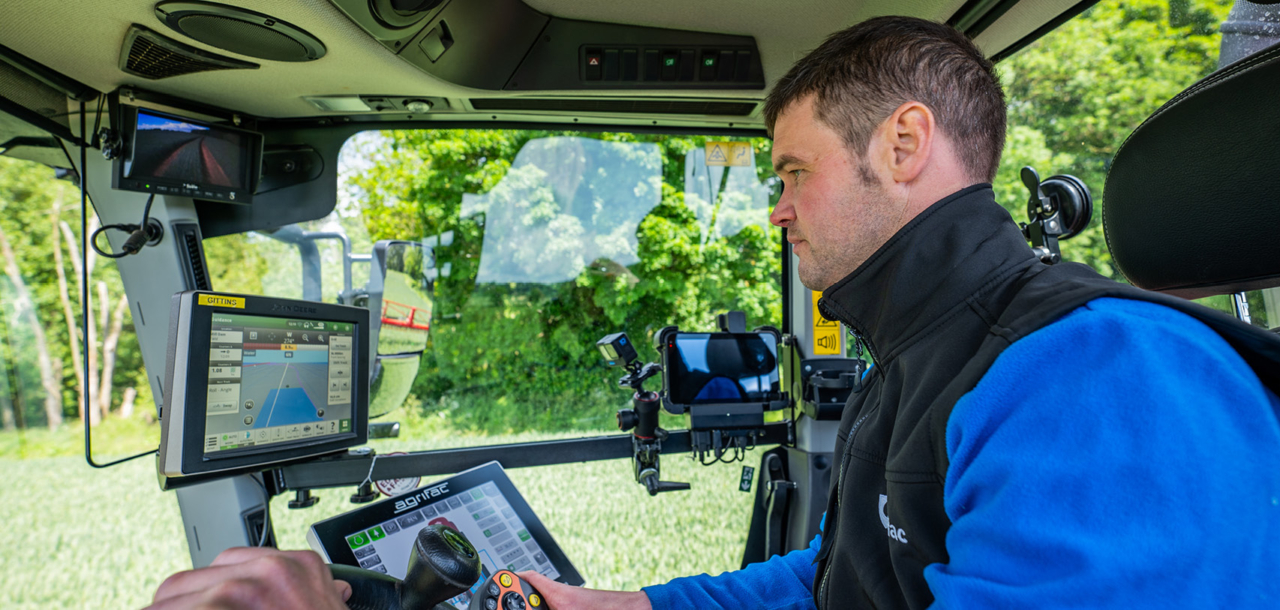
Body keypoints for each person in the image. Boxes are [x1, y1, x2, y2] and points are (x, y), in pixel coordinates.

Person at [145, 15, 1280, 610]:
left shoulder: (1101, 373)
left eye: (791, 173)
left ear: (900, 144)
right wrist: (628, 605)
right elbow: (844, 574)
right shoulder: (939, 351)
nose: (776, 211)